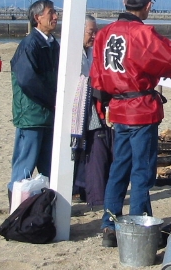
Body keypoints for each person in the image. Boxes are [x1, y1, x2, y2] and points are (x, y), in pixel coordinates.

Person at [90, 0, 171, 247]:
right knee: (141, 170)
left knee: (119, 166)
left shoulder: (105, 34)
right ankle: (138, 224)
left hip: (118, 109)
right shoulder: (143, 34)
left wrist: (103, 105)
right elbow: (169, 60)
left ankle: (109, 224)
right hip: (141, 109)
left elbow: (97, 75)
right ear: (148, 5)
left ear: (124, 3)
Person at [8, 0, 60, 205]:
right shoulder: (30, 44)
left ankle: (47, 203)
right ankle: (16, 205)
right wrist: (52, 99)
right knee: (25, 164)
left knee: (48, 163)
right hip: (32, 114)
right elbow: (27, 80)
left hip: (48, 113)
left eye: (55, 12)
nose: (55, 16)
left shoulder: (52, 43)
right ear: (37, 18)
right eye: (51, 13)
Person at [72, 15, 100, 204]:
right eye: (91, 32)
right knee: (75, 147)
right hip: (77, 106)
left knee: (86, 148)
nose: (94, 36)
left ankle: (82, 186)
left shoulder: (90, 52)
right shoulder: (72, 53)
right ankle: (74, 187)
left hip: (89, 105)